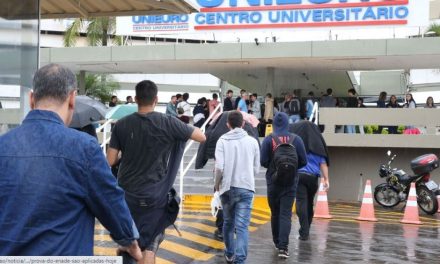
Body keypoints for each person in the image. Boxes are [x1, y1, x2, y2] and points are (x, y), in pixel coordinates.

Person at [0, 64, 142, 258]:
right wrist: (130, 242)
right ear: (72, 98)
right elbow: (112, 203)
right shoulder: (85, 148)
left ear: (32, 99)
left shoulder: (3, 145)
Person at [107, 80, 206, 264]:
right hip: (155, 196)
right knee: (150, 245)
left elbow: (110, 161)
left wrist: (124, 155)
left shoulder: (121, 125)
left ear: (136, 99)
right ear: (156, 99)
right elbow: (201, 136)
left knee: (128, 244)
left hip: (127, 197)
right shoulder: (168, 122)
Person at [214, 111, 260, 264]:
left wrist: (216, 185)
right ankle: (240, 260)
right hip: (246, 188)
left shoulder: (222, 140)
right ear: (243, 124)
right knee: (242, 227)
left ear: (228, 124)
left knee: (228, 222)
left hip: (227, 188)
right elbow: (256, 169)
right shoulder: (253, 142)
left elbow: (219, 167)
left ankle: (229, 253)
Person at [260, 112, 307, 259]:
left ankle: (276, 241)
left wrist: (276, 168)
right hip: (291, 183)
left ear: (274, 124)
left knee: (275, 213)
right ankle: (283, 247)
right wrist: (290, 169)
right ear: (288, 123)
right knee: (286, 214)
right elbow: (304, 161)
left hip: (273, 182)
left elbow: (263, 161)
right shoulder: (296, 139)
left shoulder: (269, 140)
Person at [290, 121, 330, 242]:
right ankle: (306, 228)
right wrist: (326, 179)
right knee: (309, 203)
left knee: (301, 203)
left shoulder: (296, 144)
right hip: (313, 178)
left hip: (299, 176)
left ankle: (304, 230)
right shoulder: (318, 147)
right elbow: (323, 164)